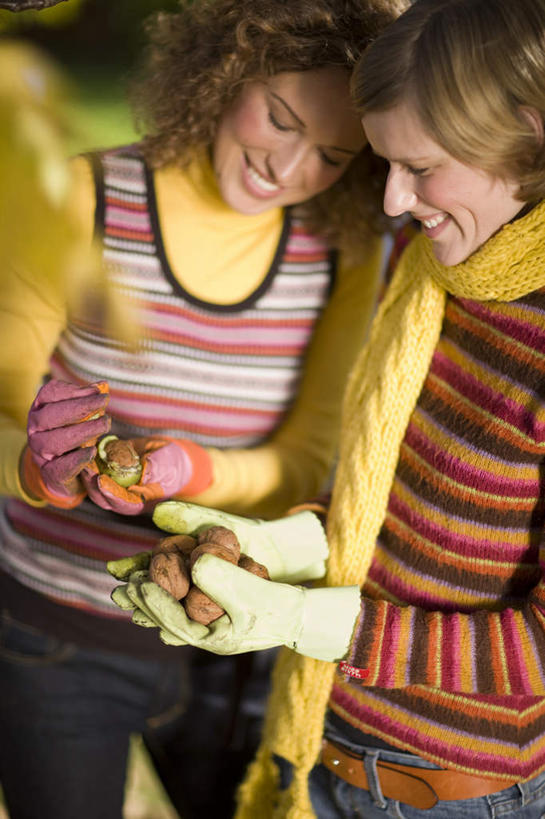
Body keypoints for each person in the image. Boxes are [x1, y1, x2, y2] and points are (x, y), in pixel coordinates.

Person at [113, 0, 545, 816]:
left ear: (524, 133)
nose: (390, 202)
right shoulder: (439, 277)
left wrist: (309, 622)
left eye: (419, 167)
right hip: (320, 754)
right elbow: (391, 510)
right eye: (383, 164)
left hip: (453, 798)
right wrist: (270, 545)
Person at [0, 1, 407, 817]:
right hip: (58, 631)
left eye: (331, 155)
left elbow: (308, 459)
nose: (287, 170)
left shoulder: (343, 248)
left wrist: (192, 469)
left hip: (234, 631)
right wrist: (35, 464)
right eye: (279, 119)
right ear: (228, 69)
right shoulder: (84, 195)